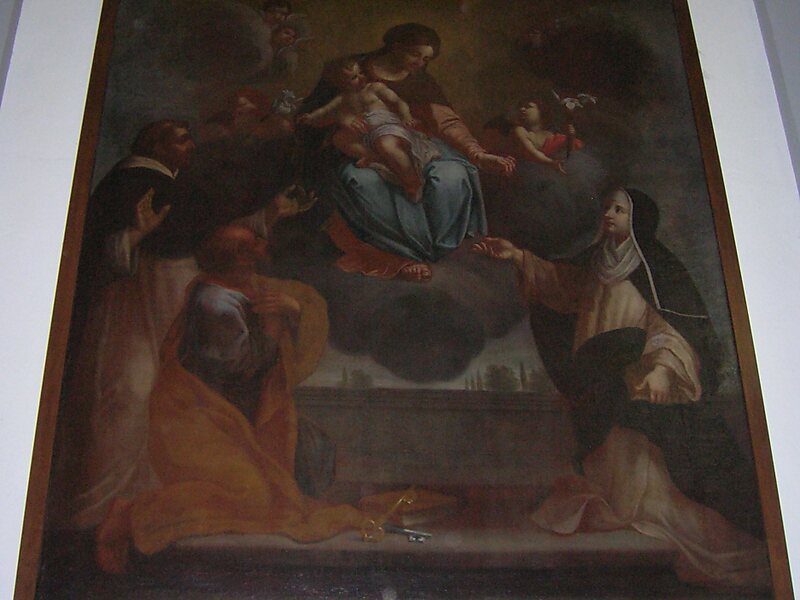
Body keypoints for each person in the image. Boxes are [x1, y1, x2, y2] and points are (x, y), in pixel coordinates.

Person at [472, 187, 769, 588]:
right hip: (598, 376)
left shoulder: (655, 270)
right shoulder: (596, 264)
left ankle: (647, 513)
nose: (609, 214)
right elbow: (561, 285)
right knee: (607, 454)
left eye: (619, 209)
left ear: (637, 220)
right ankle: (620, 507)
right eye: (608, 208)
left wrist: (662, 370)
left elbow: (669, 329)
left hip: (635, 377)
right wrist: (517, 256)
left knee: (639, 461)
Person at [56, 120, 302, 530]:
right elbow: (96, 248)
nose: (192, 145)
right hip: (138, 297)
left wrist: (271, 212)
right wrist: (135, 236)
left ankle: (145, 493)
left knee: (168, 391)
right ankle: (100, 505)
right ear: (156, 145)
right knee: (128, 389)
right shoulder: (135, 180)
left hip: (173, 288)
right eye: (182, 139)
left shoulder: (175, 185)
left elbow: (208, 224)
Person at [95, 224, 363, 573]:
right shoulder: (214, 304)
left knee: (277, 491)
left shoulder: (245, 288)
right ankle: (132, 514)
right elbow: (243, 368)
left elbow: (301, 300)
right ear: (240, 261)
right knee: (255, 497)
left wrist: (293, 308)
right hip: (194, 423)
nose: (263, 245)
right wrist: (274, 324)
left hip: (227, 422)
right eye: (253, 245)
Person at [299, 23, 516, 282]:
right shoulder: (349, 70)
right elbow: (319, 114)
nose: (420, 63)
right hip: (359, 148)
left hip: (415, 143)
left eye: (426, 59)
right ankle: (400, 255)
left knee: (453, 174)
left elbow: (446, 121)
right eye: (415, 54)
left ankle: (444, 251)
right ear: (396, 46)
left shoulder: (420, 81)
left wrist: (477, 154)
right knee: (364, 182)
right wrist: (344, 122)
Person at [298, 56, 441, 201]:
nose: (361, 77)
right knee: (339, 138)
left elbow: (399, 102)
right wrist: (310, 117)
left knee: (386, 144)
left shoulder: (375, 88)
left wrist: (406, 116)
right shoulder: (342, 98)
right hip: (368, 135)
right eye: (354, 77)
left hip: (387, 127)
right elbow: (325, 111)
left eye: (360, 72)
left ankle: (413, 181)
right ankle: (377, 158)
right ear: (341, 84)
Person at [510, 97, 583, 174]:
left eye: (528, 106)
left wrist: (571, 136)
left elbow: (569, 152)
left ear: (540, 111)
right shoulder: (520, 130)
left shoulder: (553, 136)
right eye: (520, 107)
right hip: (531, 172)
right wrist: (552, 162)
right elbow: (532, 153)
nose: (522, 109)